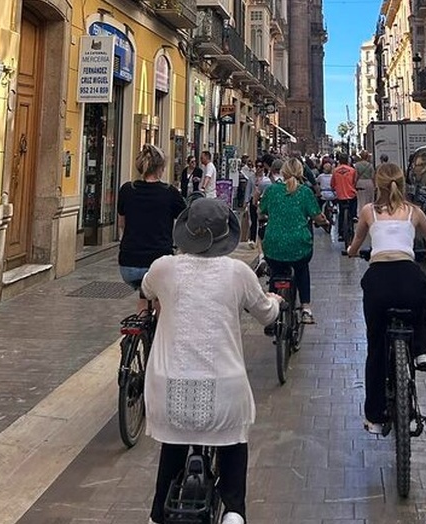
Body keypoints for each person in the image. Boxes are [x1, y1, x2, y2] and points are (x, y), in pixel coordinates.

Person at [143, 197, 283, 524]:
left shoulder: (164, 267)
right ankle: (234, 511)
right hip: (224, 392)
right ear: (225, 236)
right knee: (233, 443)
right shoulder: (238, 273)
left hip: (168, 391)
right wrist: (275, 301)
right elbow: (266, 314)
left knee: (174, 446)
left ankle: (155, 516)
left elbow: (148, 290)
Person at [346, 163, 426, 435]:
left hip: (379, 281)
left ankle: (375, 418)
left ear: (377, 184)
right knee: (419, 309)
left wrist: (352, 252)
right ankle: (422, 351)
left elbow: (355, 245)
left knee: (376, 347)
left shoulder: (368, 212)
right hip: (408, 277)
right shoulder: (414, 211)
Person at [259, 158, 330, 325]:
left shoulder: (272, 190)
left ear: (283, 172)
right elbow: (317, 216)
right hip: (299, 244)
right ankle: (306, 308)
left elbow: (261, 213)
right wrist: (324, 222)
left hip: (273, 244)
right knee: (301, 270)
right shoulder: (305, 192)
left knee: (276, 272)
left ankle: (271, 314)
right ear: (300, 173)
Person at [117, 145, 186, 311]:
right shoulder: (170, 193)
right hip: (159, 263)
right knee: (162, 301)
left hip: (128, 265)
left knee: (144, 293)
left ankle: (139, 331)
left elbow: (122, 224)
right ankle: (158, 334)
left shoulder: (127, 190)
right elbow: (185, 222)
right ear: (161, 168)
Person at [331, 153, 358, 244]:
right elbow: (355, 182)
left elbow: (332, 184)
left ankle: (340, 233)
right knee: (354, 201)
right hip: (350, 194)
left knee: (341, 214)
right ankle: (354, 215)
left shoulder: (335, 171)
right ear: (347, 160)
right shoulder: (352, 170)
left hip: (340, 195)